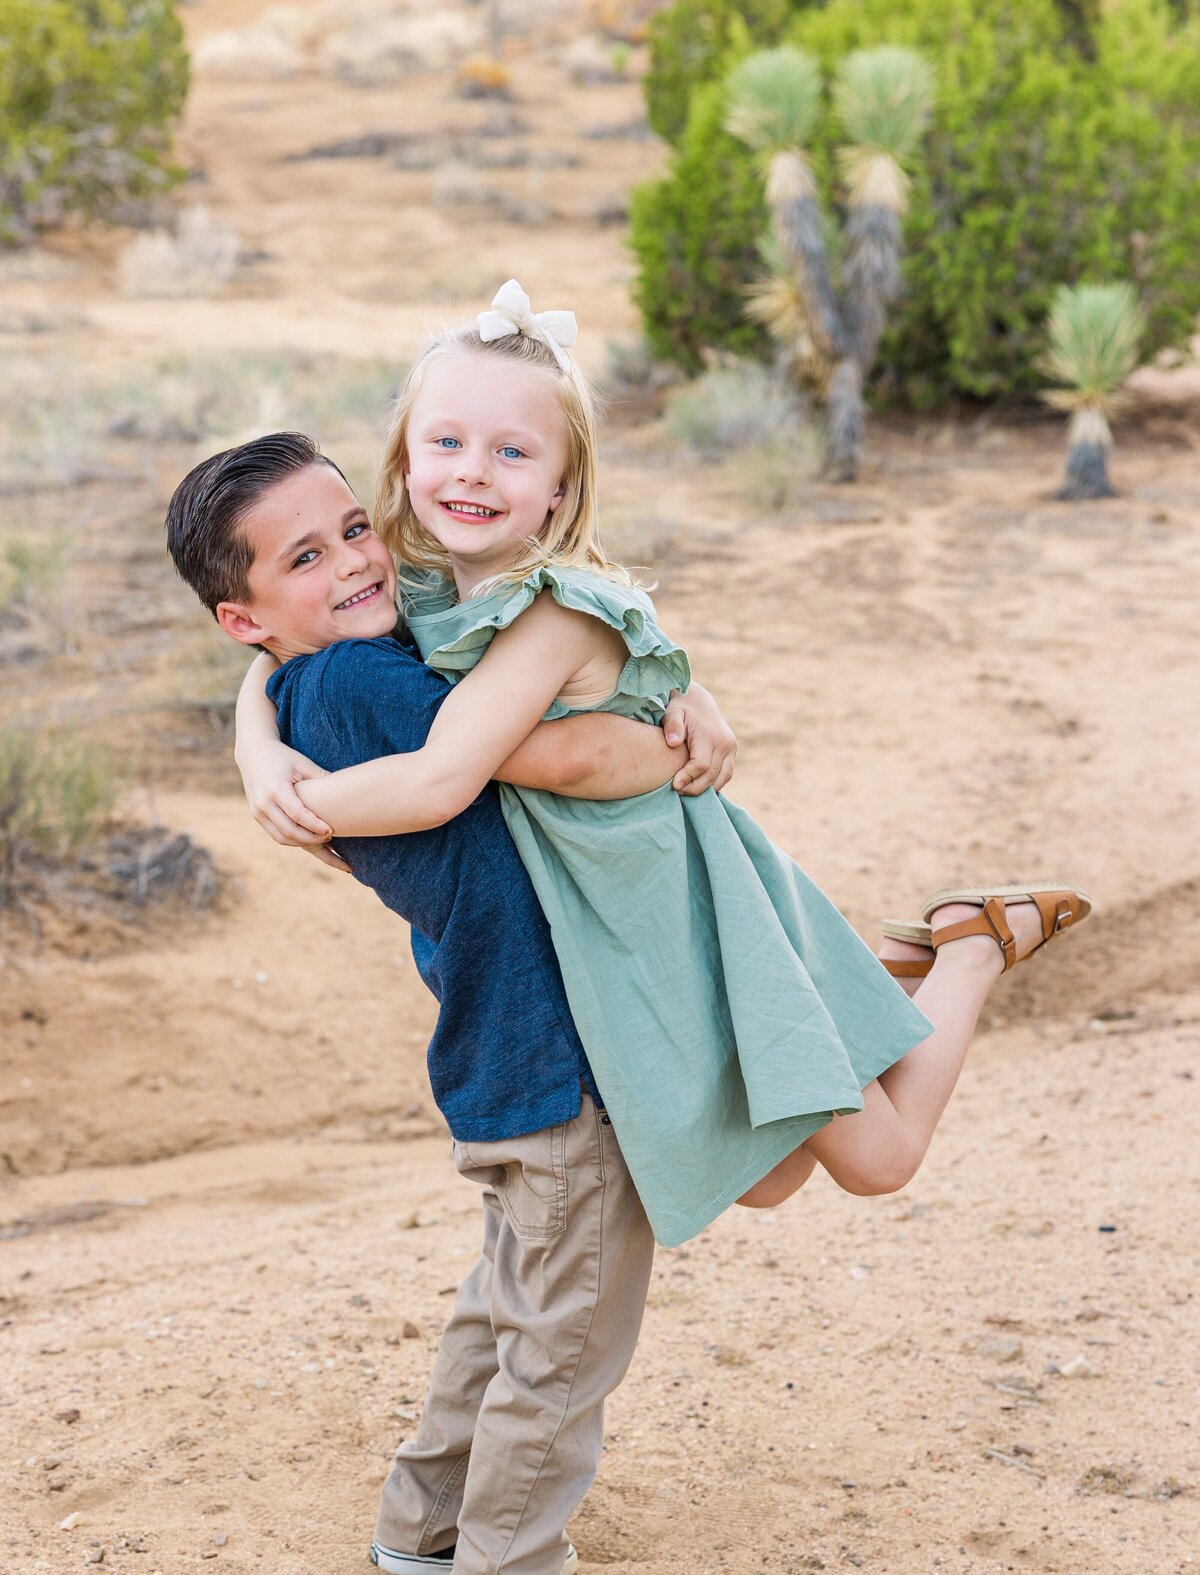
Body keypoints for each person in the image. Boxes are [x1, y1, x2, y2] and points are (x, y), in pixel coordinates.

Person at [234, 279, 1091, 1255]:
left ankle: (974, 940)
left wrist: (308, 807)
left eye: (512, 453)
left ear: (559, 487)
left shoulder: (555, 609)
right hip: (607, 923)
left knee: (880, 1160)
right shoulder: (413, 579)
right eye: (447, 444)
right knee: (766, 1179)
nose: (473, 473)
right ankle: (869, 978)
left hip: (677, 906)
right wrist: (256, 749)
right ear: (405, 458)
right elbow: (269, 652)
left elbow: (449, 775)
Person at [165, 430, 744, 1575]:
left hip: (495, 1042)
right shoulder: (370, 694)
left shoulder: (325, 684)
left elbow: (450, 695)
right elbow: (565, 745)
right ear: (244, 615)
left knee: (512, 1296)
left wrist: (253, 718)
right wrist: (672, 712)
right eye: (305, 558)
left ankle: (425, 1520)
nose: (360, 561)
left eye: (354, 529)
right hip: (555, 1047)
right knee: (567, 1337)